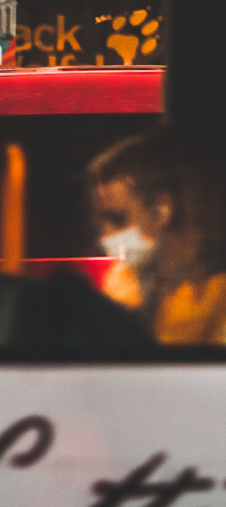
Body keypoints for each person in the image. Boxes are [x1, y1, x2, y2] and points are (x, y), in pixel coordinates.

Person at [89, 127, 226, 344]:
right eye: (100, 223)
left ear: (161, 210)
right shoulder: (122, 281)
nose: (104, 236)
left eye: (117, 219)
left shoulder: (217, 293)